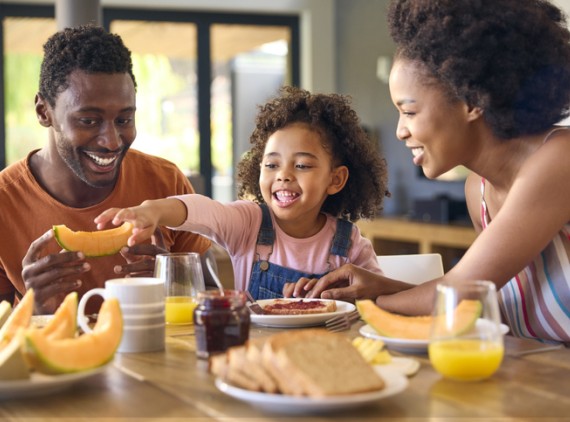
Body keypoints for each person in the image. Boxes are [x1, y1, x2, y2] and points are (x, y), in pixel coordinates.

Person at [292, 0, 570, 345]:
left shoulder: (560, 158)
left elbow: (459, 293)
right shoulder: (478, 191)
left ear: (472, 101)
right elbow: (475, 300)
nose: (400, 131)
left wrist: (365, 301)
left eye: (409, 111)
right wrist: (383, 287)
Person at [95, 86, 390, 299]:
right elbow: (203, 210)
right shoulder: (249, 223)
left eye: (301, 165)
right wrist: (154, 210)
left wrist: (350, 298)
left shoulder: (348, 243)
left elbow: (379, 298)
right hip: (256, 358)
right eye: (272, 164)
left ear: (336, 179)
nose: (283, 175)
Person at [0, 25, 211, 315]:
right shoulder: (4, 202)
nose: (112, 141)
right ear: (43, 111)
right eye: (88, 120)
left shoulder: (166, 182)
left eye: (124, 120)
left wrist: (174, 282)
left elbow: (213, 298)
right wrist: (35, 310)